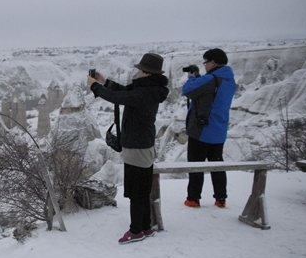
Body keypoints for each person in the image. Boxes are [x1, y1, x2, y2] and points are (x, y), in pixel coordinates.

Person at [87, 53, 169, 244]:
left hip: (137, 148)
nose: (137, 71)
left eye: (140, 68)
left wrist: (94, 86)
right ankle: (146, 226)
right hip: (143, 145)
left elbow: (118, 97)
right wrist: (104, 82)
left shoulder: (144, 93)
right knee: (142, 190)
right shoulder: (150, 89)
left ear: (147, 73)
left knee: (136, 192)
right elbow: (125, 92)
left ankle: (136, 230)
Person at [182, 48, 237, 208]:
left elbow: (188, 90)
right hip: (219, 129)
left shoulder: (212, 78)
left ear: (213, 62)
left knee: (196, 165)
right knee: (217, 164)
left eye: (206, 62)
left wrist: (192, 78)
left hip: (202, 129)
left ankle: (193, 198)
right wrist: (199, 77)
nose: (205, 65)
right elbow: (211, 94)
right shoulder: (229, 80)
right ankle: (221, 198)